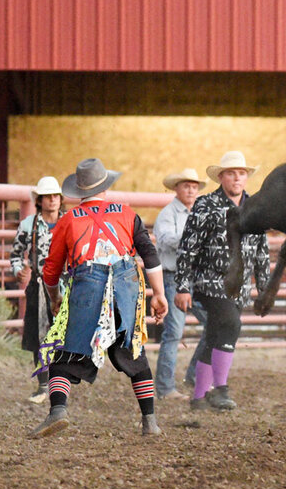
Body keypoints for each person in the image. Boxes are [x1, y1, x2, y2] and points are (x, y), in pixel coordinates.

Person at [30, 158, 168, 438]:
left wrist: (55, 299)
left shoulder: (68, 220)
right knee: (133, 351)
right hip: (125, 282)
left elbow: (51, 271)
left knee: (67, 352)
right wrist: (159, 294)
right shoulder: (128, 214)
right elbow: (149, 255)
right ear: (105, 185)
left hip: (87, 282)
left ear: (78, 190)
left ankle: (57, 411)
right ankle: (149, 421)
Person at [174, 151, 269, 411]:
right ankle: (221, 389)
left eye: (242, 173)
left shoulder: (254, 208)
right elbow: (188, 247)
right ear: (221, 177)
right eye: (231, 173)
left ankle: (199, 396)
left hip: (239, 285)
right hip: (210, 280)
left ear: (247, 177)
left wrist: (264, 286)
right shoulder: (206, 205)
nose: (237, 178)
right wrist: (182, 286)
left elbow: (261, 249)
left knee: (217, 334)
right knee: (230, 325)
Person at [153, 167, 209, 400]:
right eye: (186, 186)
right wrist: (194, 240)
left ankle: (195, 374)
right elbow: (165, 239)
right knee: (174, 331)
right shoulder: (168, 214)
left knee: (214, 323)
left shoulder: (197, 213)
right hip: (174, 276)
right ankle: (165, 388)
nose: (191, 190)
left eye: (194, 187)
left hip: (195, 276)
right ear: (176, 188)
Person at [9, 176, 65, 403]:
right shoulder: (28, 225)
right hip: (39, 284)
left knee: (63, 335)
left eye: (55, 196)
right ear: (40, 200)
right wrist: (18, 270)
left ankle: (59, 385)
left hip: (65, 284)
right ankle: (44, 385)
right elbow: (15, 254)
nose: (52, 200)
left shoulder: (68, 222)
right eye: (48, 197)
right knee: (39, 336)